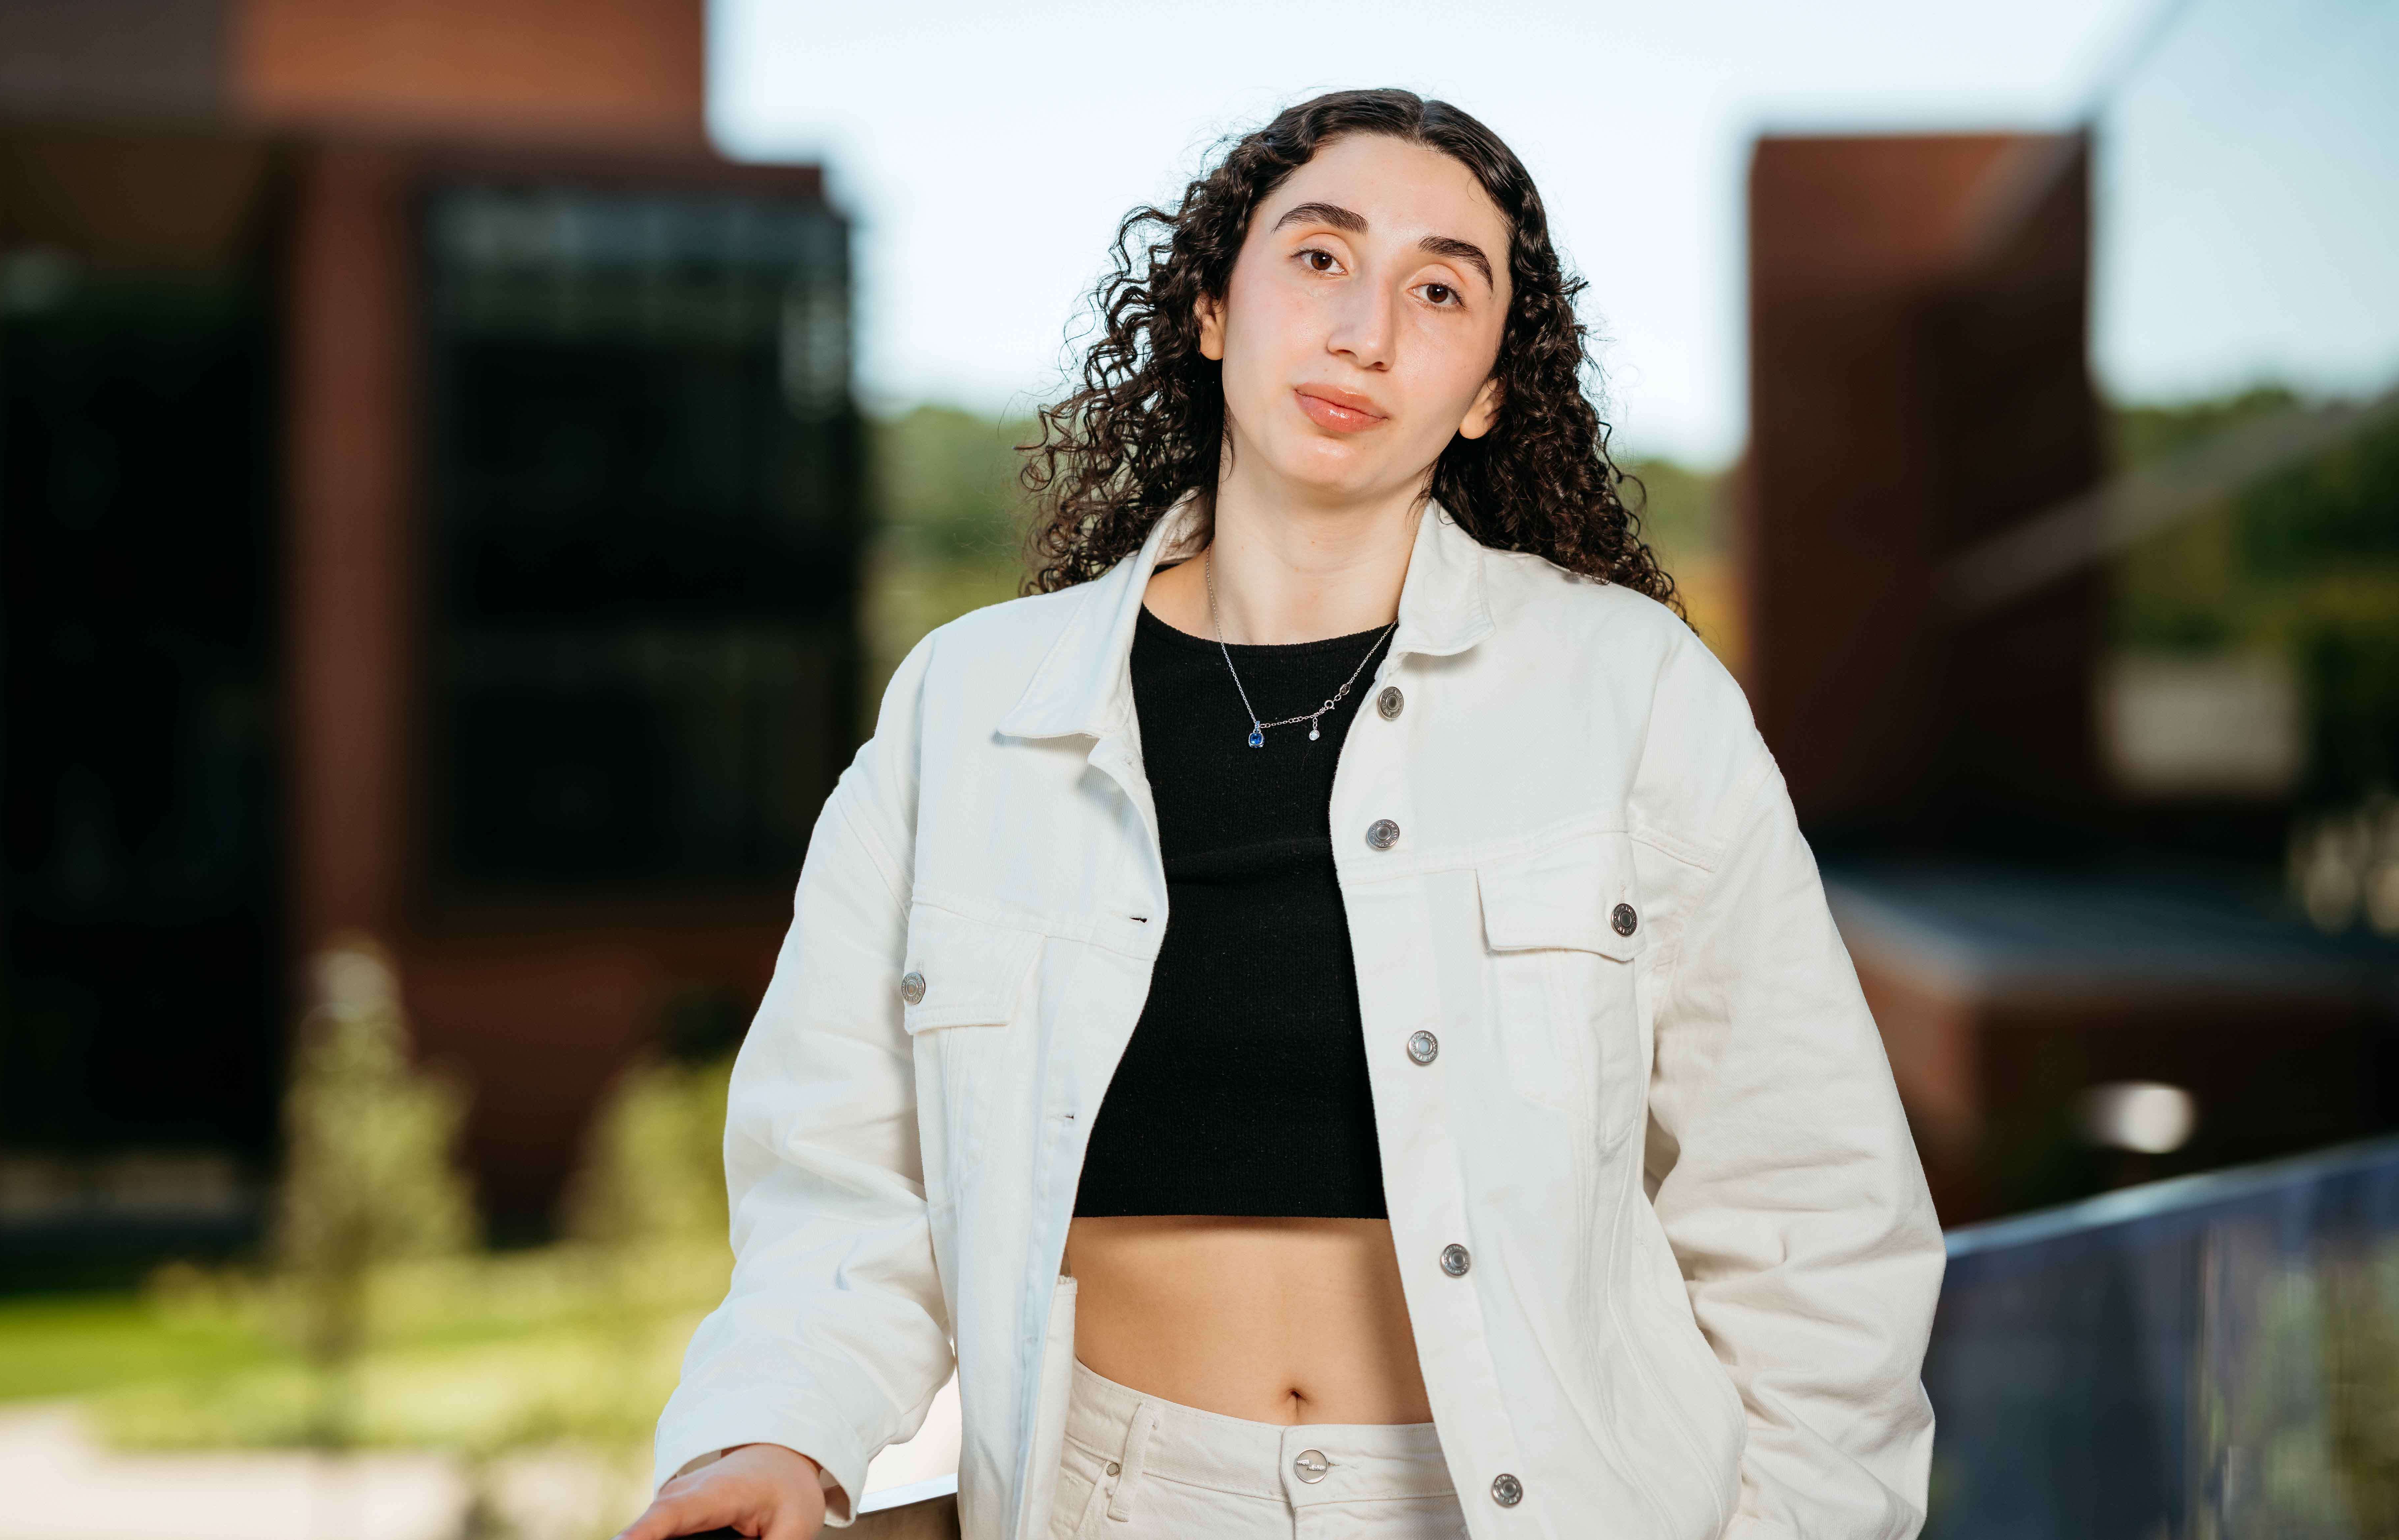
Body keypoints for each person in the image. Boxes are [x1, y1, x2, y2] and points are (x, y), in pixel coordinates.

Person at [617, 88, 1942, 1540]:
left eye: (1441, 288)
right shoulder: (968, 709)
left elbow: (1809, 1216)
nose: (1367, 327)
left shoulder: (1630, 695)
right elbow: (842, 1181)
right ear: (1208, 306)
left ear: (1491, 386)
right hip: (1107, 1497)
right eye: (1320, 257)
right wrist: (772, 1436)